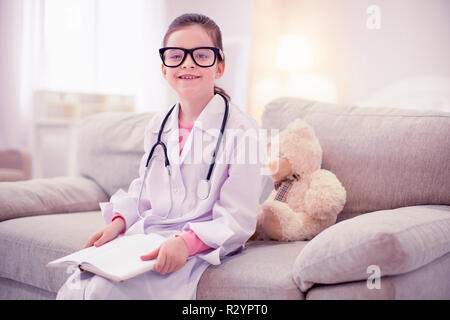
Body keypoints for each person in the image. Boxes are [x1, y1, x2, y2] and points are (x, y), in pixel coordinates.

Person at [56, 13, 262, 300]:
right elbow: (144, 191)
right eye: (176, 55)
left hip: (198, 246)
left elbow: (238, 218)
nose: (188, 63)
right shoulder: (158, 125)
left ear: (220, 66)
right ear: (164, 69)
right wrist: (118, 223)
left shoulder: (244, 130)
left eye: (202, 55)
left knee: (103, 292)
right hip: (148, 236)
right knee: (77, 284)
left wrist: (186, 243)